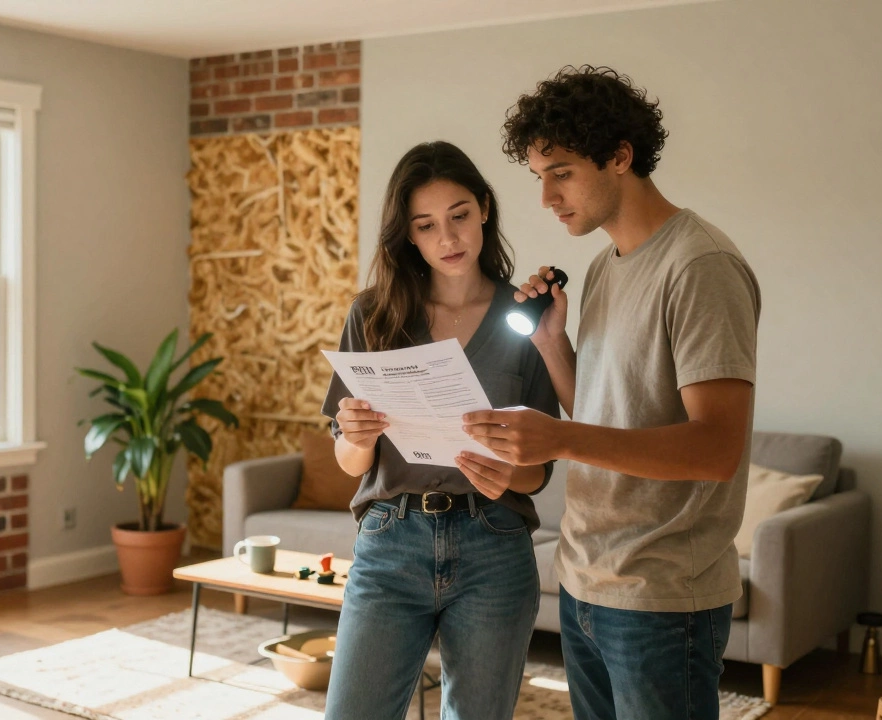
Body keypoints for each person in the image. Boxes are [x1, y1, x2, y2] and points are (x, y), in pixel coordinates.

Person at [462, 66, 762, 720]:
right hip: (585, 578)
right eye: (538, 176)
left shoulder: (700, 265)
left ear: (620, 157)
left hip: (661, 596)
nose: (546, 197)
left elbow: (716, 449)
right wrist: (550, 343)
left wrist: (561, 440)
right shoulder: (603, 266)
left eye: (561, 172)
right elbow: (600, 412)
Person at [321, 140, 560, 720]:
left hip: (494, 543)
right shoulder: (374, 314)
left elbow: (538, 475)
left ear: (483, 207)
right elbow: (352, 466)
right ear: (409, 235)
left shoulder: (526, 317)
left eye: (458, 216)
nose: (448, 239)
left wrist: (508, 473)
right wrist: (355, 436)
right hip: (389, 542)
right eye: (426, 226)